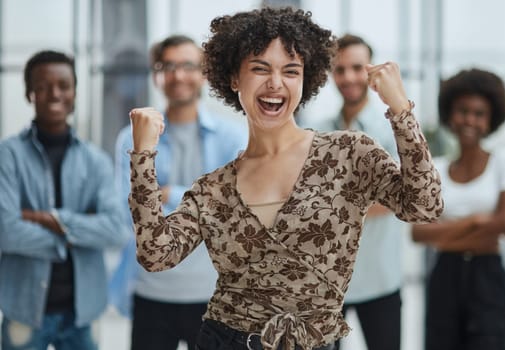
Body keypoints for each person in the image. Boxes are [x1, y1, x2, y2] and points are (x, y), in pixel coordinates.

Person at [128, 7, 443, 350]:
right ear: (234, 77)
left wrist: (401, 111)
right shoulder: (213, 188)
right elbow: (156, 254)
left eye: (290, 71)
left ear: (305, 78)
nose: (275, 83)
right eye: (260, 69)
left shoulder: (347, 153)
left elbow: (424, 206)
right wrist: (142, 156)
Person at [109, 35, 247, 350]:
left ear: (204, 73)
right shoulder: (132, 138)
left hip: (216, 295)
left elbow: (235, 211)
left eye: (187, 65)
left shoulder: (232, 136)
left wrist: (168, 194)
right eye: (167, 66)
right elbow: (125, 210)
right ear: (156, 74)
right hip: (152, 293)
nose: (177, 75)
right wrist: (200, 201)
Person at [0, 50, 127, 350]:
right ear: (29, 93)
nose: (54, 94)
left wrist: (50, 219)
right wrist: (72, 237)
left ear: (74, 92)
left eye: (63, 85)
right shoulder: (8, 156)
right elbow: (6, 231)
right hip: (24, 309)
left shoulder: (96, 161)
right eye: (43, 86)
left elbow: (115, 230)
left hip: (83, 313)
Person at [412, 68, 505, 350]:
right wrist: (476, 222)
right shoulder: (437, 168)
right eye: (463, 110)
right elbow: (419, 233)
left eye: (479, 113)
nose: (470, 120)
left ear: (491, 119)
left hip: (488, 276)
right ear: (450, 113)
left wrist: (445, 232)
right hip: (444, 276)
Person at [310, 34, 403, 350]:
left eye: (356, 68)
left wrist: (334, 201)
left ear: (371, 71)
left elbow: (394, 198)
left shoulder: (392, 130)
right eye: (340, 69)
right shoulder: (319, 130)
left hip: (379, 279)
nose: (348, 77)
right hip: (327, 285)